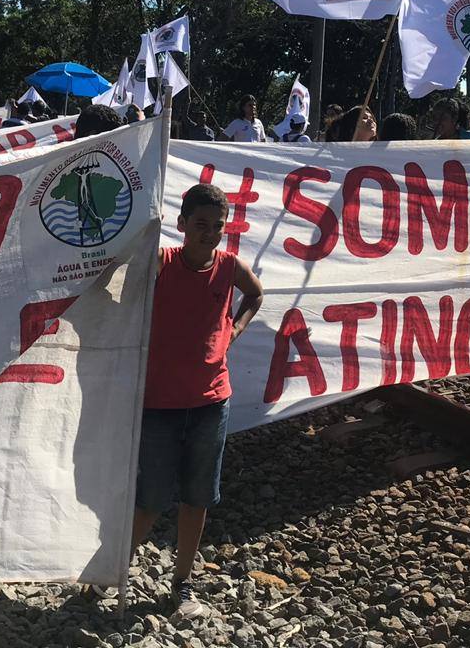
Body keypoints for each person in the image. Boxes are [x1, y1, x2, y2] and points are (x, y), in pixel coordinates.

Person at [134, 184, 264, 618]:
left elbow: (256, 293)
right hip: (159, 405)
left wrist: (236, 330)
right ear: (182, 225)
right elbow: (122, 273)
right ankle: (111, 571)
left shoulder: (229, 267)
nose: (209, 233)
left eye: (217, 227)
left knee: (197, 497)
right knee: (149, 499)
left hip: (211, 402)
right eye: (201, 225)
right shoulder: (163, 261)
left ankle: (183, 580)